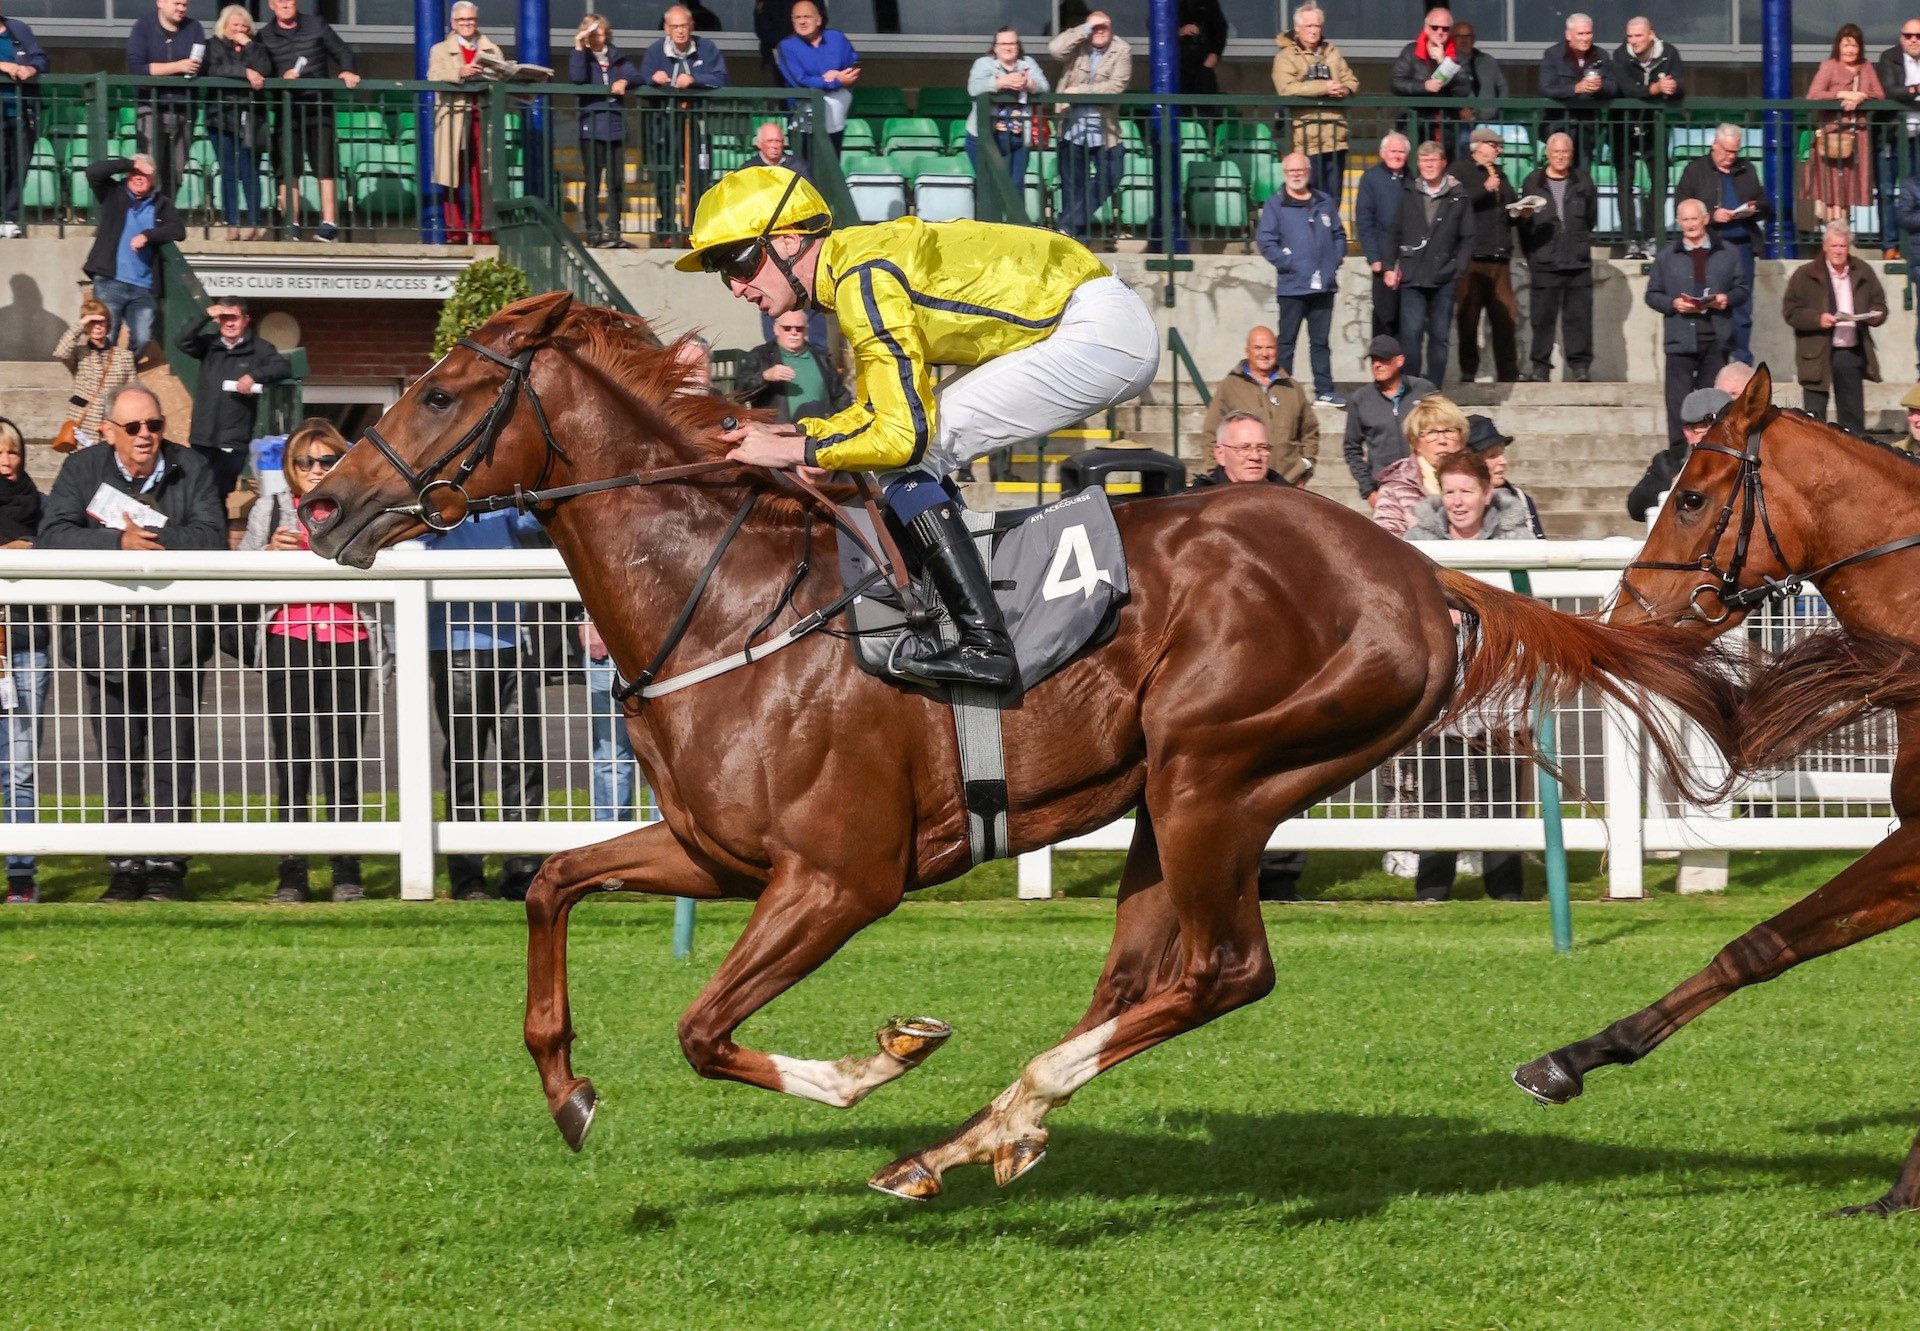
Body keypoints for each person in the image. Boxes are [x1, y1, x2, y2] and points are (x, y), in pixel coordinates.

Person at [683, 166, 1158, 691]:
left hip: (1098, 331)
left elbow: (899, 437)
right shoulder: (854, 267)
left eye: (740, 261)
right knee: (908, 455)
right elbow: (880, 410)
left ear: (791, 241)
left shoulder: (861, 279)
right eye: (721, 272)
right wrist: (793, 439)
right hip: (1087, 317)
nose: (735, 285)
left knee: (911, 458)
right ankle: (962, 616)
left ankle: (984, 643)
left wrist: (798, 447)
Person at [36, 383, 225, 902]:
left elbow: (212, 535)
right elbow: (53, 536)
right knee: (118, 757)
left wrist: (152, 536)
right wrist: (115, 542)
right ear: (109, 432)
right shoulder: (82, 470)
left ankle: (166, 865)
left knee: (174, 754)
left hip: (175, 638)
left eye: (154, 425)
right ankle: (125, 864)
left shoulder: (194, 467)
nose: (146, 436)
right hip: (106, 640)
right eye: (134, 427)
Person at [238, 419, 370, 903]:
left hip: (346, 638)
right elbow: (239, 572)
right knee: (291, 760)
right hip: (287, 640)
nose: (316, 470)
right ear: (290, 469)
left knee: (343, 760)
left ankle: (345, 869)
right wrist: (268, 552)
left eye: (326, 459)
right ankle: (291, 871)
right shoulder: (271, 509)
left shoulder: (360, 510)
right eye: (305, 461)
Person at [1404, 447, 1535, 903]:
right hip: (1442, 677)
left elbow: (1529, 605)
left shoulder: (1519, 540)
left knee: (1502, 787)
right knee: (1441, 784)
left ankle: (1505, 887)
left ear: (1486, 493)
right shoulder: (1418, 540)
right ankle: (1433, 886)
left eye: (1466, 491)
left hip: (1500, 677)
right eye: (1449, 491)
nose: (1457, 501)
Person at [1188, 410, 1308, 901]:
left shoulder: (1294, 507)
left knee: (1282, 770)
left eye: (1261, 448)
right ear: (1220, 455)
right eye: (1245, 449)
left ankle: (1279, 875)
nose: (1256, 456)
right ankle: (1208, 876)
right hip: (1209, 663)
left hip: (1278, 662)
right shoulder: (1190, 507)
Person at [421, 505, 548, 901]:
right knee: (464, 760)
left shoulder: (497, 497)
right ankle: (467, 874)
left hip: (511, 640)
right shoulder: (433, 494)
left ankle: (522, 868)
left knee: (523, 755)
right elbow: (413, 538)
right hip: (454, 644)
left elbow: (532, 518)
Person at [1647, 198, 1748, 447]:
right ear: (1679, 222)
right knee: (1677, 400)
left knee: (1714, 401)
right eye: (1685, 219)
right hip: (1680, 338)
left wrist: (1726, 299)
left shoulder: (1728, 252)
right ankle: (1678, 452)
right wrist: (1673, 304)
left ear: (1705, 219)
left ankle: (1714, 447)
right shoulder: (1666, 257)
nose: (1690, 224)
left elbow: (1743, 289)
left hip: (1716, 337)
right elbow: (1652, 295)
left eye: (1695, 218)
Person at [258, 0, 360, 243]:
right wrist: (280, 77)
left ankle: (329, 225)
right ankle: (291, 225)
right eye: (279, 1)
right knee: (288, 166)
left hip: (319, 104)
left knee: (324, 164)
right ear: (272, 5)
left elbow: (343, 51)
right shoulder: (264, 35)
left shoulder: (316, 24)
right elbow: (261, 68)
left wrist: (346, 70)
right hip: (287, 108)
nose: (285, 4)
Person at [176, 294, 293, 498]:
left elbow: (282, 366)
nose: (229, 323)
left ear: (246, 319)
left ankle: (217, 530)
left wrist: (254, 376)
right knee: (195, 492)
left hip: (233, 439)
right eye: (224, 318)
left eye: (234, 318)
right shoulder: (210, 345)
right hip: (202, 437)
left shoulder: (259, 349)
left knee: (217, 493)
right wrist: (205, 315)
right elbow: (182, 340)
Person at [1674, 124, 1770, 367]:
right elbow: (1682, 203)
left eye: (1735, 151)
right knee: (1707, 302)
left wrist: (1751, 209)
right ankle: (1711, 361)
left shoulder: (1746, 168)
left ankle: (1741, 362)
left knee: (1741, 305)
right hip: (1710, 247)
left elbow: (1765, 203)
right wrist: (1712, 215)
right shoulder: (1696, 170)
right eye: (1727, 151)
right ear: (1714, 145)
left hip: (1742, 247)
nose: (1731, 156)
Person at [1256, 152, 1345, 406]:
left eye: (1300, 170)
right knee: (1286, 343)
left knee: (1320, 343)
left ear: (1309, 172)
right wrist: (1289, 264)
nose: (1296, 175)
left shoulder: (1324, 201)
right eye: (1291, 171)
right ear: (1284, 174)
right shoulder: (1276, 204)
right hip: (1292, 288)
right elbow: (1266, 241)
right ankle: (1282, 391)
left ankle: (1325, 390)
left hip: (1324, 287)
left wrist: (1333, 261)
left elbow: (1339, 234)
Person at [1783, 221, 1887, 434]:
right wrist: (1817, 319)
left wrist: (1875, 315)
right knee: (1814, 418)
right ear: (1825, 247)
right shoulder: (1804, 275)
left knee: (1852, 417)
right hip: (1815, 352)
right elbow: (1791, 312)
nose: (1838, 251)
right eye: (1834, 246)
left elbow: (1879, 303)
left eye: (1842, 246)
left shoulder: (1863, 270)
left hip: (1850, 351)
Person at [1386, 139, 1474, 387]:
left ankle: (1434, 388)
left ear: (1443, 163)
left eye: (1433, 160)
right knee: (1411, 335)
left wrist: (1459, 268)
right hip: (1413, 277)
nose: (1428, 165)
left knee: (1439, 337)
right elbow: (1394, 231)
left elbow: (1468, 236)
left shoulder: (1459, 195)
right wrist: (1388, 265)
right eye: (1424, 161)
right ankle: (1413, 385)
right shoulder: (1409, 192)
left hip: (1444, 278)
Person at [0, 417, 44, 903]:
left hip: (28, 644)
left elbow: (56, 538)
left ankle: (21, 877)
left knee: (21, 764)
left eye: (14, 452)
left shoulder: (39, 504)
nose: (8, 462)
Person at [1516, 132, 1597, 383]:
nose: (1560, 156)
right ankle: (1540, 366)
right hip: (1544, 260)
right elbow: (1523, 225)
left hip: (1577, 260)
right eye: (1556, 152)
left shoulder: (1583, 181)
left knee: (1579, 317)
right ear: (1547, 154)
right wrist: (1532, 254)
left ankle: (1580, 366)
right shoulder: (1533, 181)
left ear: (1571, 155)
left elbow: (1591, 219)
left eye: (1565, 152)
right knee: (1542, 318)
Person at [641, 5, 728, 239]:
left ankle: (696, 227)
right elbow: (641, 80)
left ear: (691, 26)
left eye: (684, 26)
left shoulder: (706, 48)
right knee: (665, 176)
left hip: (696, 123)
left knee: (698, 175)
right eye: (674, 26)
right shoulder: (655, 51)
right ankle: (667, 226)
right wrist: (652, 79)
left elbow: (721, 79)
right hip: (665, 124)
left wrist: (694, 80)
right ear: (666, 29)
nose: (680, 31)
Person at [83, 154, 183, 356]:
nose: (138, 177)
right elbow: (92, 172)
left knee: (143, 337)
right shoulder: (113, 193)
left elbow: (178, 231)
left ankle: (127, 367)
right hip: (110, 281)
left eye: (144, 174)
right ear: (127, 175)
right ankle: (104, 377)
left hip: (143, 288)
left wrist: (148, 235)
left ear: (153, 178)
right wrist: (130, 164)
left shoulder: (162, 204)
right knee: (106, 337)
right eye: (134, 173)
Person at [1197, 326, 1317, 481]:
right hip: (1242, 485)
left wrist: (1305, 468)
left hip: (1288, 483)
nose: (1264, 353)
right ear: (1247, 351)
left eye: (1270, 348)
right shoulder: (1230, 386)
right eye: (1258, 348)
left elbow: (1310, 431)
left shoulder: (1292, 387)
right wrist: (1218, 476)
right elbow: (1211, 433)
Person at [1050, 11, 1131, 242]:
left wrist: (1079, 92)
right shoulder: (1079, 44)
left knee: (1112, 175)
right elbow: (1055, 49)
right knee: (1072, 188)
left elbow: (1116, 86)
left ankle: (1068, 224)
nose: (1100, 31)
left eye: (1104, 26)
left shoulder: (1122, 49)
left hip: (1106, 133)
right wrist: (1085, 28)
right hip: (1071, 129)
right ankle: (1076, 242)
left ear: (1112, 27)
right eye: (1096, 27)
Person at [1448, 126, 1519, 385]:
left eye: (1499, 146)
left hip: (1499, 258)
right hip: (1472, 259)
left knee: (1505, 317)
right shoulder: (1459, 170)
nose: (1498, 150)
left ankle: (1508, 372)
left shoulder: (1499, 173)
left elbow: (1509, 203)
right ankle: (1468, 371)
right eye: (1494, 145)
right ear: (1478, 145)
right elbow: (1454, 203)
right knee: (1469, 316)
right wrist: (1484, 189)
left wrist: (1519, 210)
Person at [427, 2, 502, 245]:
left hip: (483, 115)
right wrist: (460, 72)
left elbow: (502, 75)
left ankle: (482, 230)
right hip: (453, 118)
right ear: (453, 23)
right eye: (462, 20)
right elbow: (434, 76)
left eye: (471, 20)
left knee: (482, 175)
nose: (467, 24)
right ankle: (455, 230)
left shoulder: (491, 49)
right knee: (452, 175)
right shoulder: (439, 49)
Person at [1610, 16, 1684, 260]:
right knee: (1625, 182)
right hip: (1623, 124)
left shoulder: (1669, 53)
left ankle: (1652, 236)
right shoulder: (1620, 55)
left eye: (1638, 36)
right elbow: (1627, 89)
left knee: (1660, 180)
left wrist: (1672, 89)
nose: (1633, 41)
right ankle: (1630, 240)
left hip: (1655, 125)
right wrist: (1655, 89)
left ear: (1651, 34)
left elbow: (1680, 85)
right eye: (1629, 36)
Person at [1270, 4, 1358, 206]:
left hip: (1337, 137)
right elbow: (1286, 88)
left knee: (1334, 199)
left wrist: (1344, 89)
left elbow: (1352, 80)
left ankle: (1330, 237)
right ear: (1297, 29)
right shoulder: (1285, 57)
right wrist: (1324, 87)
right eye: (1309, 25)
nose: (1314, 30)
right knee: (1311, 197)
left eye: (1317, 25)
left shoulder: (1332, 52)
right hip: (1307, 139)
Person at [1803, 25, 1883, 230]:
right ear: (1838, 45)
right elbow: (1813, 94)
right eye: (1846, 44)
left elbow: (1880, 94)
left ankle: (1844, 234)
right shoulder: (1829, 66)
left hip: (1857, 135)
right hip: (1832, 135)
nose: (1850, 50)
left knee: (1849, 189)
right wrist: (1842, 94)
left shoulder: (1866, 67)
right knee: (1831, 189)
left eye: (1854, 45)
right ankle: (1831, 235)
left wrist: (1862, 96)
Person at [570, 13, 639, 251]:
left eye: (599, 32)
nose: (596, 36)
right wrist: (579, 46)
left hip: (615, 128)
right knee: (593, 181)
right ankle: (593, 230)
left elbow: (636, 75)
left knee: (617, 181)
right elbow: (577, 78)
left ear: (606, 33)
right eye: (590, 32)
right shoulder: (583, 57)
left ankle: (614, 230)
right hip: (591, 128)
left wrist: (625, 82)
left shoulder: (617, 58)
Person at [204, 5, 270, 242]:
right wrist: (244, 72)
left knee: (249, 171)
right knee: (228, 172)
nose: (240, 29)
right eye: (235, 25)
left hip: (250, 117)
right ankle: (231, 223)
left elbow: (265, 69)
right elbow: (212, 69)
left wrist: (250, 46)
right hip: (219, 117)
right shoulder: (212, 45)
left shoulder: (258, 47)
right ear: (225, 25)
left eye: (244, 26)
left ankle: (253, 222)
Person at [126, 0, 204, 201]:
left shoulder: (194, 28)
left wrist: (161, 70)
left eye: (185, 4)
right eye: (177, 3)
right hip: (150, 107)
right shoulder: (142, 27)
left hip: (183, 108)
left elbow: (197, 66)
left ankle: (164, 214)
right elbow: (138, 69)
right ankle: (148, 215)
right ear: (160, 2)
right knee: (150, 168)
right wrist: (178, 66)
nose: (181, 8)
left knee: (177, 170)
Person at [1343, 334, 1434, 503]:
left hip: (1427, 486)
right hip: (1386, 490)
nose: (1376, 365)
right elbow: (1351, 448)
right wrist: (1368, 491)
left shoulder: (1424, 390)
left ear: (1399, 361)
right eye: (1373, 360)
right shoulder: (1361, 399)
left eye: (1383, 359)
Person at [1370, 391, 1468, 536]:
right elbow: (1385, 543)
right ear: (1415, 442)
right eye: (1431, 433)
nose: (1442, 440)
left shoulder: (1479, 478)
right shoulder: (1395, 488)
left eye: (1449, 431)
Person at [1627, 385, 1728, 523]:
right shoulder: (1670, 462)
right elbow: (1636, 507)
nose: (1714, 440)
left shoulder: (1748, 460)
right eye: (1704, 432)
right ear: (1688, 432)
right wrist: (1676, 485)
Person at [965, 28, 1047, 192]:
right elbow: (973, 89)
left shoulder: (1028, 63)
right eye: (1003, 43)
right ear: (995, 47)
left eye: (1012, 43)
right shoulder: (984, 63)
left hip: (1018, 137)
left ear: (1018, 46)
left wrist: (1028, 84)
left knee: (1016, 187)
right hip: (984, 136)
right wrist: (1001, 83)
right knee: (989, 188)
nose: (1008, 47)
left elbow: (1044, 87)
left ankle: (1014, 219)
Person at [579, 613, 644, 821]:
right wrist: (585, 618)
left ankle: (672, 844)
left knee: (666, 759)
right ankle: (612, 838)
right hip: (607, 653)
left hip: (663, 644)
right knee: (610, 758)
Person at [737, 309, 851, 424]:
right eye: (787, 328)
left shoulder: (821, 357)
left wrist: (842, 422)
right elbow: (739, 394)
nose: (793, 333)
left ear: (806, 331)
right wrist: (765, 376)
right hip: (778, 434)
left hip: (819, 433)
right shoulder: (762, 356)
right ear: (776, 329)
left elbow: (840, 395)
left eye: (799, 329)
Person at [51, 298, 136, 451]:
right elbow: (60, 352)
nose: (97, 327)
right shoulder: (79, 352)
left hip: (110, 424)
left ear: (108, 324)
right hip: (82, 423)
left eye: (101, 322)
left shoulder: (125, 357)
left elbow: (132, 392)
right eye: (92, 323)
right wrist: (82, 322)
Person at [774, 0, 855, 158]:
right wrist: (836, 81)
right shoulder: (786, 47)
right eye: (797, 18)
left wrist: (837, 75)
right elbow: (800, 81)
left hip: (836, 121)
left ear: (818, 20)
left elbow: (854, 66)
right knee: (804, 170)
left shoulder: (837, 39)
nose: (802, 21)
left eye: (807, 17)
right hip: (803, 124)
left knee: (830, 168)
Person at [1538, 12, 1617, 169]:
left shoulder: (1601, 55)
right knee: (1560, 170)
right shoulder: (1553, 55)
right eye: (1580, 33)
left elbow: (1614, 87)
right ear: (1568, 35)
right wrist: (1575, 88)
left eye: (1589, 33)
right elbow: (1546, 88)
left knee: (1583, 173)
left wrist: (1600, 87)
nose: (1585, 38)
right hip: (1558, 124)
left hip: (1588, 127)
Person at [1355, 133, 1410, 339]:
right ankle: (1382, 366)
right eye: (1393, 151)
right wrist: (1374, 258)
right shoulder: (1371, 178)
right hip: (1384, 261)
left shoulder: (1412, 179)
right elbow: (1364, 220)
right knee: (1384, 317)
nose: (1397, 155)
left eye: (1401, 152)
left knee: (1407, 320)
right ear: (1382, 153)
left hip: (1409, 260)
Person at [0, 1, 47, 239]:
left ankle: (10, 217)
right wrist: (3, 65)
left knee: (20, 166)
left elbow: (40, 58)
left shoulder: (18, 28)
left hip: (21, 110)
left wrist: (30, 69)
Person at [1390, 8, 1464, 156]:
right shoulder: (1411, 51)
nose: (1440, 31)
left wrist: (1443, 61)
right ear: (1426, 28)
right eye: (1435, 27)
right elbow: (1396, 82)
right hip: (1414, 125)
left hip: (1446, 128)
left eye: (1445, 28)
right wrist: (1424, 86)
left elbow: (1464, 89)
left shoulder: (1457, 55)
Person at [1876, 20, 1920, 257]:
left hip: (1917, 138)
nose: (1914, 40)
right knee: (1886, 191)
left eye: (1918, 36)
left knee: (1915, 192)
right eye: (1908, 35)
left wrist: (1908, 93)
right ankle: (1890, 244)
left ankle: (1912, 244)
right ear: (1901, 38)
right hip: (1891, 134)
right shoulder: (1889, 57)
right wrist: (1916, 90)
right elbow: (1890, 90)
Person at [1464, 413, 1543, 536]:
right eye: (1492, 456)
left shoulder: (1521, 500)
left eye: (1502, 454)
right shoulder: (1454, 503)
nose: (1503, 461)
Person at [1448, 20, 1507, 143]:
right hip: (1460, 122)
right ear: (1452, 39)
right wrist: (1459, 110)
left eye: (1468, 36)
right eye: (1459, 36)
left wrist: (1495, 108)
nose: (1464, 40)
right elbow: (1444, 91)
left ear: (1473, 39)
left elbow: (1503, 87)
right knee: (1463, 141)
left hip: (1490, 120)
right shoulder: (1448, 62)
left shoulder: (1488, 61)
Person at [1176, 0, 1226, 101]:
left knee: (1206, 103)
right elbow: (1158, 28)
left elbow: (1220, 29)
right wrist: (1180, 31)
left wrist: (1214, 55)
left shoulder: (1209, 3)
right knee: (1181, 105)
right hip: (1178, 64)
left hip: (1203, 62)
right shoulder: (1170, 4)